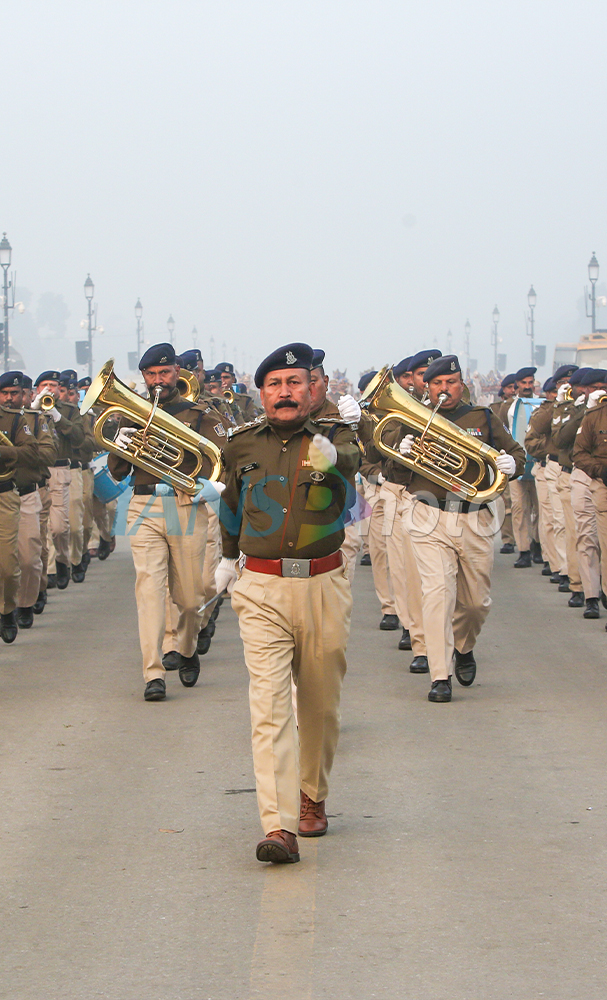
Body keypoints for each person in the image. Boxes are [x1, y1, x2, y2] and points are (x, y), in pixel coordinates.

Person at [216, 342, 359, 864]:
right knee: (269, 707)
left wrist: (332, 457)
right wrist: (228, 559)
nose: (284, 392)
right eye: (274, 384)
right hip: (261, 589)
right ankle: (278, 826)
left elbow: (350, 470)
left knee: (318, 704)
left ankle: (311, 795)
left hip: (323, 583)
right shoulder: (240, 445)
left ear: (312, 388)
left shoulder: (339, 435)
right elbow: (232, 505)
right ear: (262, 393)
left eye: (294, 383)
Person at [397, 355, 525, 702]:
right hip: (428, 515)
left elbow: (516, 452)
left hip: (474, 517)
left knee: (475, 603)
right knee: (437, 594)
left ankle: (464, 647)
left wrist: (511, 464)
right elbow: (395, 474)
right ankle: (440, 675)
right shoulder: (415, 418)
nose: (443, 389)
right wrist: (400, 451)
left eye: (449, 382)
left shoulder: (482, 417)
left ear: (461, 383)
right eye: (436, 383)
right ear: (427, 386)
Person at [108, 343, 228, 701]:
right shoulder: (133, 412)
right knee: (148, 591)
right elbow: (118, 472)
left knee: (190, 599)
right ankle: (152, 671)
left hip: (186, 505)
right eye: (150, 374)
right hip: (144, 505)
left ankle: (188, 648)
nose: (157, 380)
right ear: (144, 376)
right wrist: (120, 439)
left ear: (177, 372)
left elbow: (222, 457)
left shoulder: (199, 412)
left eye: (163, 373)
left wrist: (211, 485)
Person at [0, 372, 56, 627]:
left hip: (26, 493)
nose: (10, 398)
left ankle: (24, 602)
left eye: (15, 393)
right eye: (5, 393)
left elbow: (43, 456)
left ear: (27, 394)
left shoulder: (33, 420)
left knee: (28, 557)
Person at [32, 370, 85, 591]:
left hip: (60, 469)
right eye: (45, 385)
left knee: (60, 528)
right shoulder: (28, 411)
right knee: (38, 531)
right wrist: (34, 409)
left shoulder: (70, 411)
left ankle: (63, 561)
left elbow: (80, 437)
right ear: (37, 389)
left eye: (54, 385)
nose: (49, 389)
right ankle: (45, 576)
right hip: (36, 472)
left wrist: (56, 416)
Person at [0, 388, 41, 641]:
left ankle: (7, 609)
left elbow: (32, 453)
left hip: (4, 494)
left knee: (7, 564)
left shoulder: (13, 419)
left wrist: (3, 452)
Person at [502, 366, 541, 568]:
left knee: (539, 508)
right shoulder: (508, 407)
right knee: (519, 508)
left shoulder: (540, 405)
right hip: (516, 463)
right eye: (524, 383)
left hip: (536, 462)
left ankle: (538, 544)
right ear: (517, 385)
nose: (527, 386)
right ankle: (523, 549)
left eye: (530, 382)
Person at [491, 374, 517, 554]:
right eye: (510, 387)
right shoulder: (497, 408)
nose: (513, 391)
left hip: (518, 458)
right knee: (507, 503)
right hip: (504, 457)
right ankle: (508, 538)